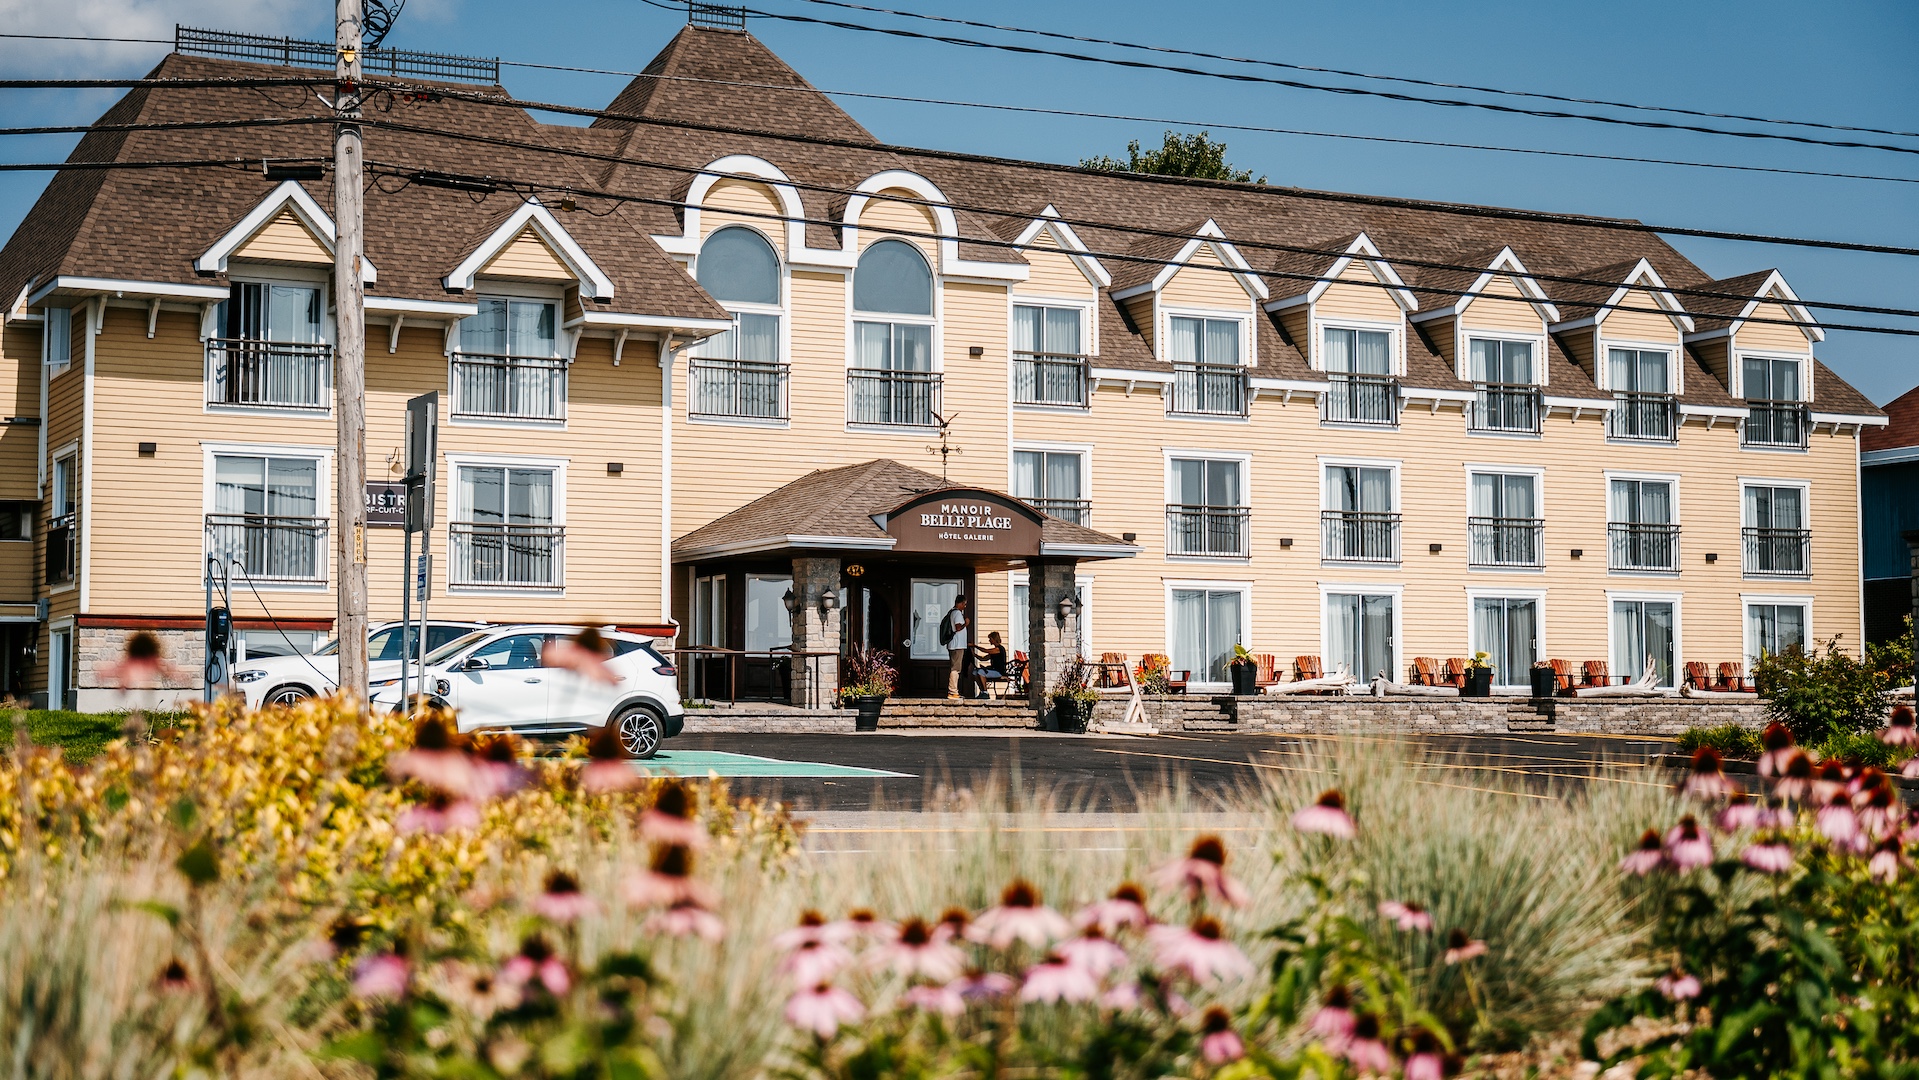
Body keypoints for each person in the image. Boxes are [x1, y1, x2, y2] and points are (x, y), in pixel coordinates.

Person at [939, 594, 971, 700]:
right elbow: (958, 628)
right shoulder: (957, 613)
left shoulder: (952, 612)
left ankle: (953, 691)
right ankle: (953, 691)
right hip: (957, 645)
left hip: (953, 644)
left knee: (955, 667)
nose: (965, 606)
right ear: (960, 603)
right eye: (964, 604)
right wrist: (966, 624)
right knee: (956, 669)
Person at [974, 631, 1009, 698]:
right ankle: (982, 691)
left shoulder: (999, 649)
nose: (989, 640)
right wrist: (974, 655)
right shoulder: (994, 651)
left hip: (999, 672)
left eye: (990, 639)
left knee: (980, 672)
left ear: (994, 639)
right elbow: (983, 658)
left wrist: (975, 646)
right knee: (975, 672)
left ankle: (985, 693)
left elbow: (985, 651)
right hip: (993, 670)